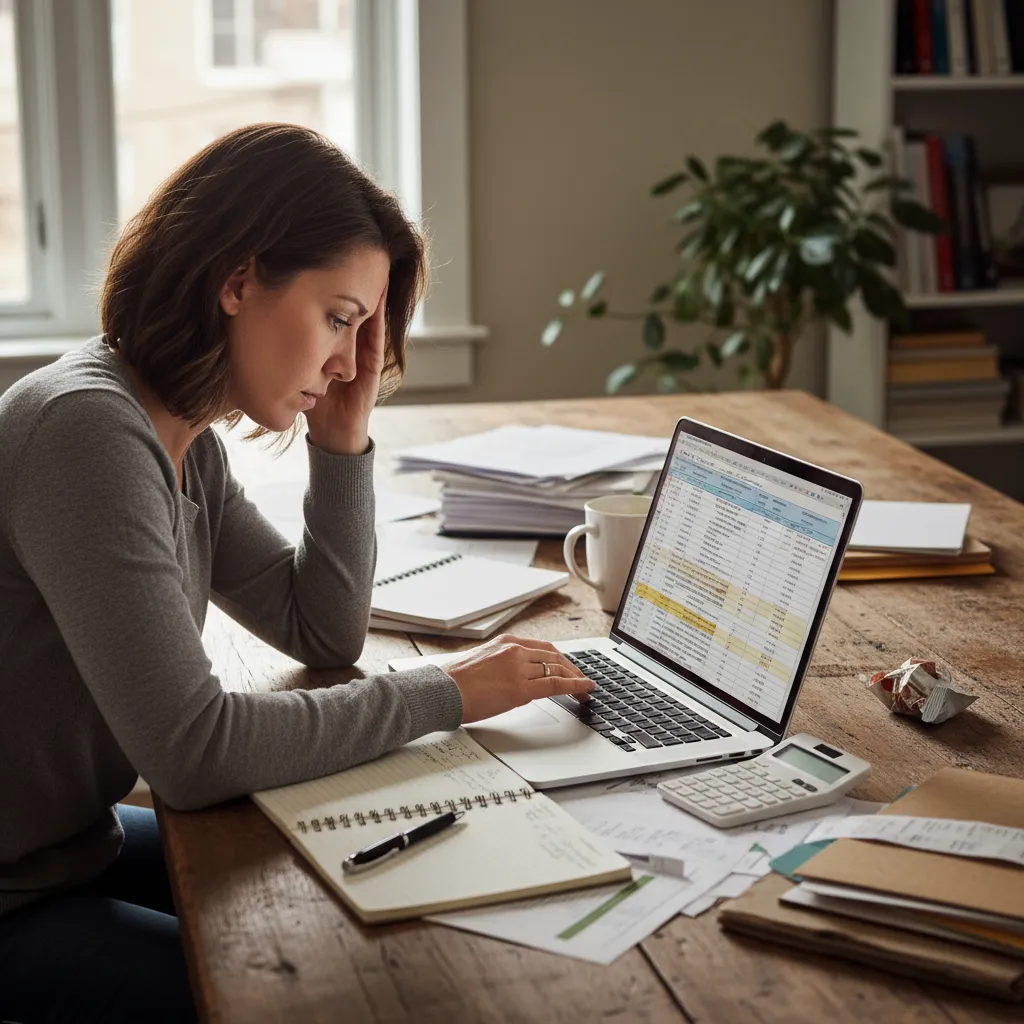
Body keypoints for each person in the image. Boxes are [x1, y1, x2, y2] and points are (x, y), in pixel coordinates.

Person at [0, 123, 593, 1023]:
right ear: (237, 281)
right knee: (322, 997)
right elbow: (194, 754)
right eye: (339, 319)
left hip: (61, 847)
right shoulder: (89, 431)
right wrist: (448, 692)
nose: (352, 361)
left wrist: (342, 438)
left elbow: (320, 627)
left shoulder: (179, 437)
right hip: (15, 895)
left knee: (365, 916)